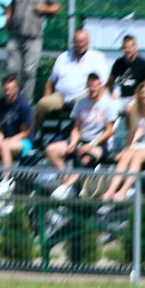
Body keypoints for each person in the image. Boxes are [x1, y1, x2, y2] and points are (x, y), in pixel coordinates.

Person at [42, 72, 120, 200]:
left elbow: (109, 131)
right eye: (90, 86)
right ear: (87, 87)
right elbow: (76, 128)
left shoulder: (108, 104)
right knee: (51, 150)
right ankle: (69, 183)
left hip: (100, 143)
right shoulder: (80, 103)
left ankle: (65, 187)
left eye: (95, 86)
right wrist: (73, 143)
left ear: (100, 86)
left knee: (86, 159)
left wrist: (91, 145)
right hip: (81, 140)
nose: (93, 89)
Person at [101, 79, 145, 201]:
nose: (144, 95)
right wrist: (126, 149)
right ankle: (111, 190)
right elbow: (132, 133)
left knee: (137, 157)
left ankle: (123, 191)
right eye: (142, 93)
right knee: (125, 156)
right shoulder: (135, 108)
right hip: (141, 142)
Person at [34, 28, 108, 134]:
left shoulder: (97, 58)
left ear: (88, 42)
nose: (80, 44)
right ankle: (31, 135)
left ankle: (79, 135)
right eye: (77, 41)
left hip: (83, 96)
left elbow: (103, 84)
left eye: (83, 41)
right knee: (42, 104)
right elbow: (50, 82)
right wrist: (47, 96)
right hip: (61, 96)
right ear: (73, 42)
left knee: (81, 103)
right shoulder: (63, 57)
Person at [3, 0, 60, 98]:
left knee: (29, 71)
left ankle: (25, 101)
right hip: (15, 36)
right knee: (12, 70)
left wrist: (44, 8)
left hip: (34, 37)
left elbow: (57, 7)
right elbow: (10, 7)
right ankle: (13, 99)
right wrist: (8, 18)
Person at [106, 34, 145, 103]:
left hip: (138, 99)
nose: (128, 50)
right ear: (122, 49)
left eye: (130, 47)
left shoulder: (143, 64)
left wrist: (138, 96)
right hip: (121, 98)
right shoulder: (118, 63)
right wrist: (112, 94)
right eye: (125, 47)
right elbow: (109, 83)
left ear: (135, 48)